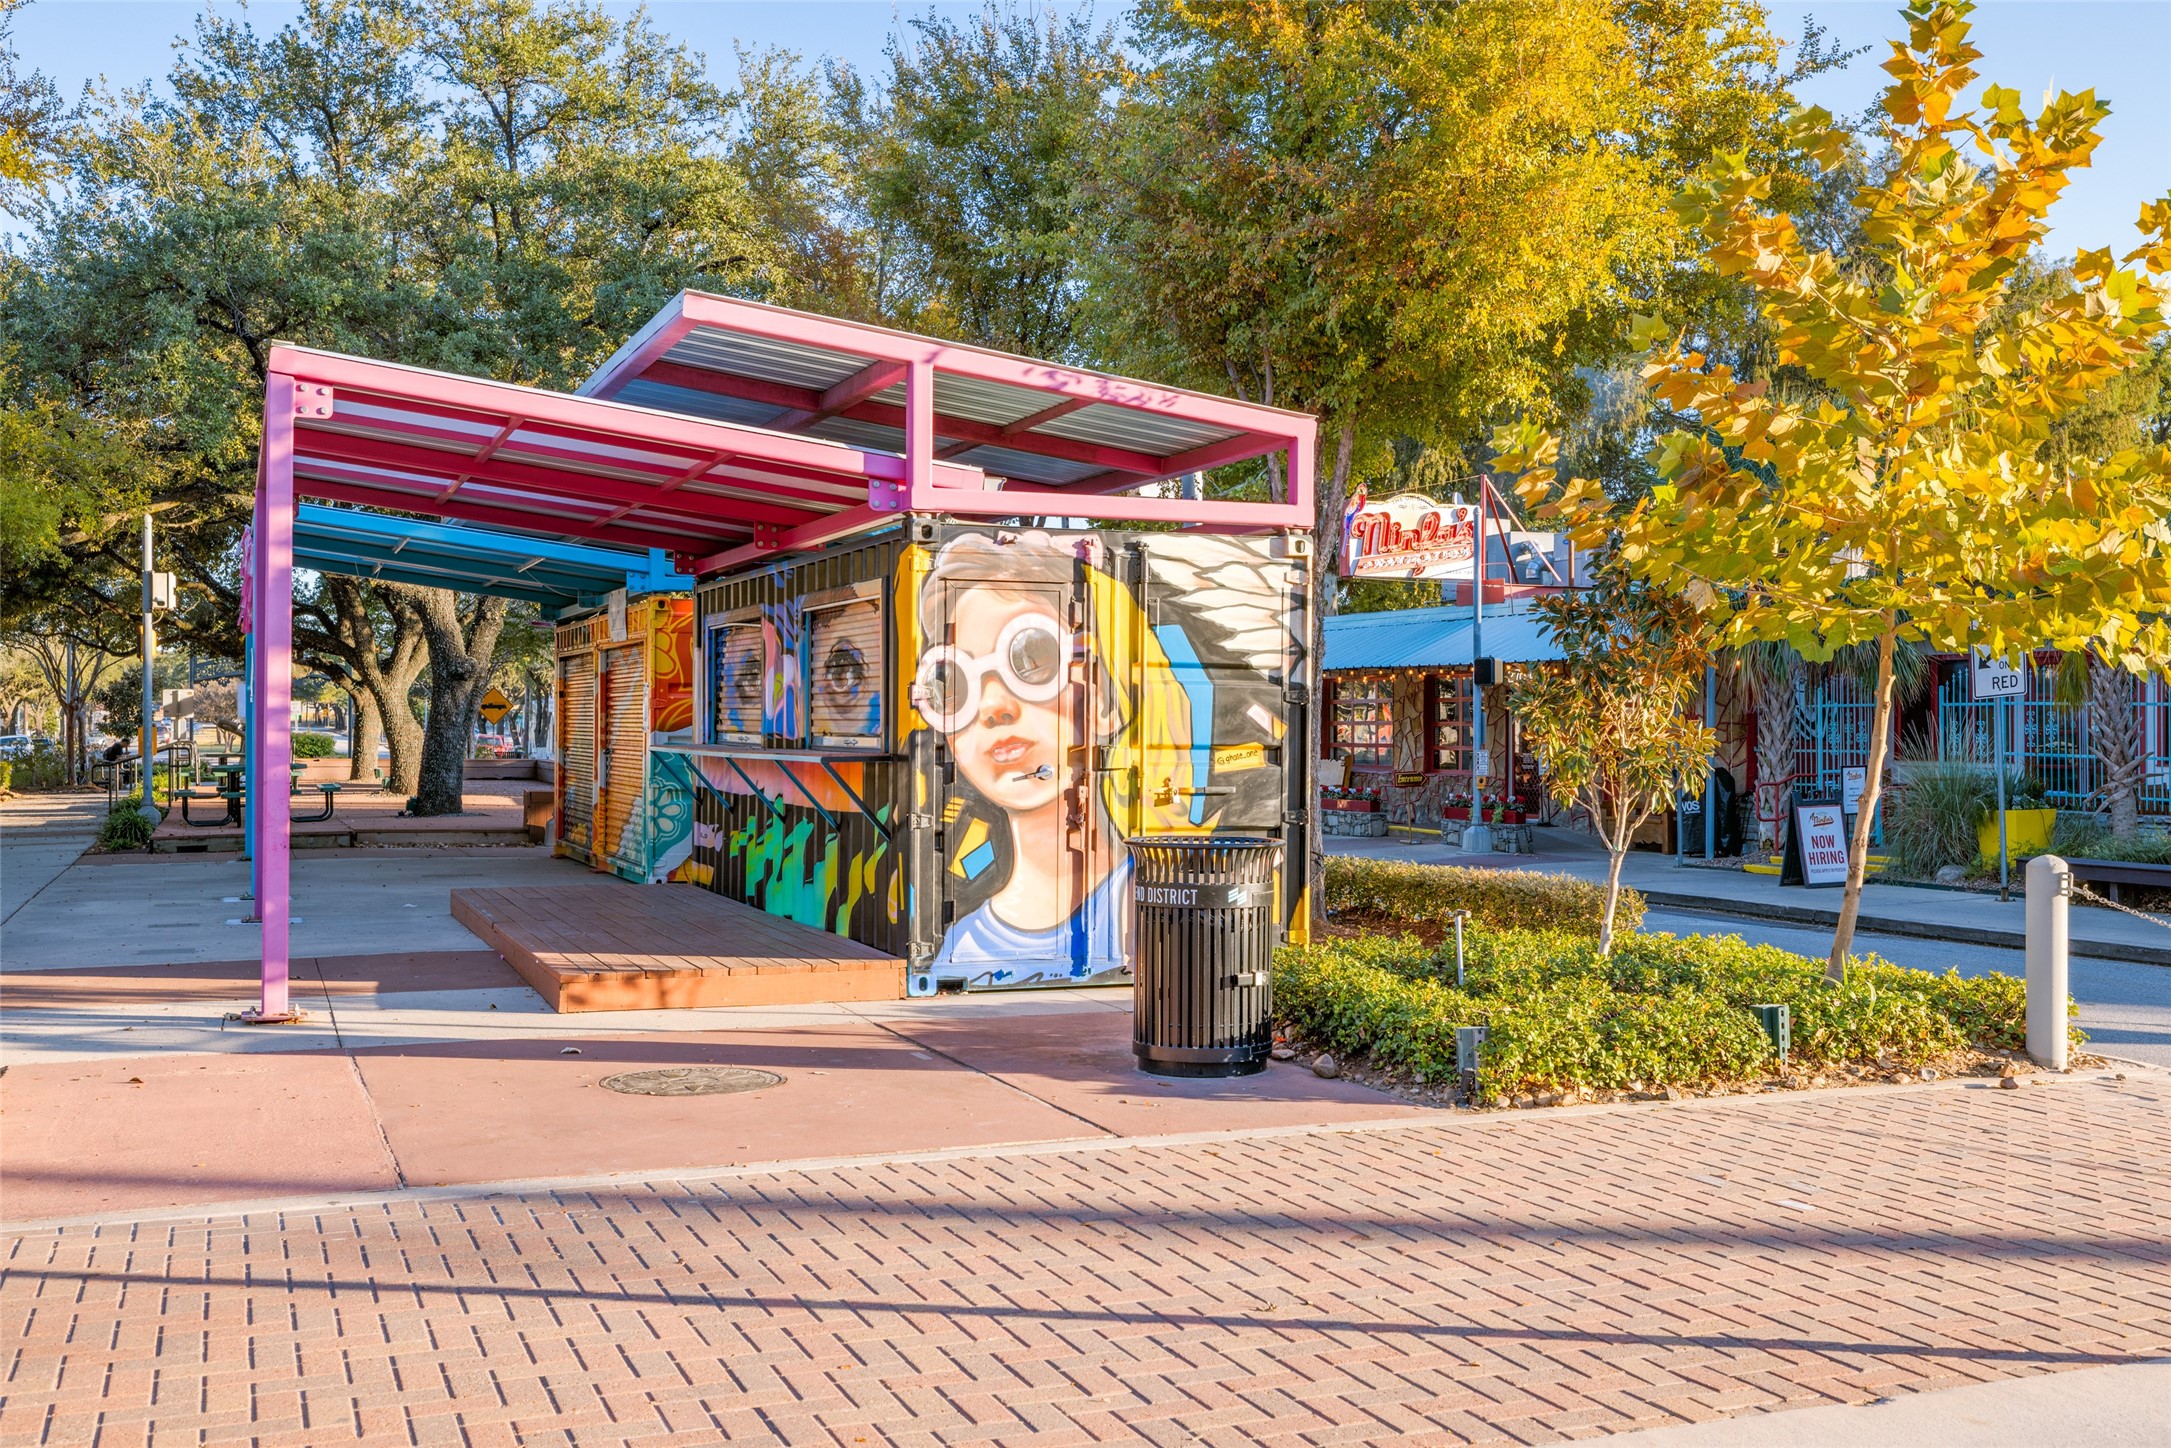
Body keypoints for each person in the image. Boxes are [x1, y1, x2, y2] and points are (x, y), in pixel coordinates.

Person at [912, 531, 1135, 984]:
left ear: (1105, 703)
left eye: (1032, 657)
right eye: (954, 682)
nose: (994, 708)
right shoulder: (958, 947)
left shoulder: (1150, 900)